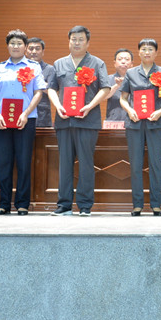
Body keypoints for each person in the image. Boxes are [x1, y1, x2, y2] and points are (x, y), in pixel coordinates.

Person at [47, 26, 111, 216]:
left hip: (88, 121)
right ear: (69, 41)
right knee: (64, 163)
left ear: (87, 42)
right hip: (64, 120)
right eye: (73, 39)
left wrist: (90, 105)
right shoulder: (59, 63)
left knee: (86, 162)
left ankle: (84, 205)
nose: (77, 42)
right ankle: (64, 205)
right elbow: (51, 88)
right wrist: (57, 105)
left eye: (81, 39)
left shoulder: (97, 63)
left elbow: (105, 88)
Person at [0, 29, 46, 216]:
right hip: (2, 121)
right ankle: (4, 204)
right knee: (3, 163)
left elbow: (38, 92)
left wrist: (26, 113)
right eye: (12, 43)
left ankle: (22, 204)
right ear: (7, 46)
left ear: (25, 47)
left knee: (23, 162)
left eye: (19, 43)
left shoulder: (33, 67)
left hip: (25, 120)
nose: (15, 46)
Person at [119, 38, 161, 216]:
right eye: (143, 49)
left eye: (150, 49)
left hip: (156, 123)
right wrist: (129, 110)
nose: (147, 52)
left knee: (156, 163)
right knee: (135, 164)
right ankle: (137, 204)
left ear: (156, 52)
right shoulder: (131, 73)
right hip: (134, 124)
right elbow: (123, 98)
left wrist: (160, 111)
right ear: (139, 52)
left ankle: (156, 204)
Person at [26, 37, 57, 128]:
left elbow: (53, 90)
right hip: (23, 111)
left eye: (37, 49)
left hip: (42, 114)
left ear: (43, 52)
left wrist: (39, 82)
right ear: (25, 51)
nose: (34, 52)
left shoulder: (50, 69)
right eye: (31, 49)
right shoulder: (20, 68)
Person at [105, 48, 134, 122]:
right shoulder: (108, 78)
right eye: (120, 59)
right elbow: (104, 96)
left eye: (127, 59)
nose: (123, 62)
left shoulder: (136, 80)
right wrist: (117, 86)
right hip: (113, 121)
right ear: (114, 63)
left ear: (132, 64)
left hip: (133, 121)